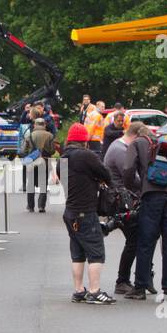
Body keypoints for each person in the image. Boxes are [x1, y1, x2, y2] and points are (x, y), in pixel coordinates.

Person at [61, 123, 115, 304]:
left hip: (70, 212)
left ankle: (79, 290)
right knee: (96, 252)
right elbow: (106, 173)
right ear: (84, 141)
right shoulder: (86, 155)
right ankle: (94, 291)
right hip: (85, 211)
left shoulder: (63, 157)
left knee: (77, 253)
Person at [127, 133, 167, 302]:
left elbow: (128, 169)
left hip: (151, 196)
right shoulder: (166, 146)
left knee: (146, 242)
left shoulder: (136, 143)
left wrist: (139, 187)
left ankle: (140, 288)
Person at [104, 120, 147, 295]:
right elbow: (132, 178)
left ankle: (125, 279)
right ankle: (122, 281)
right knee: (134, 240)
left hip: (119, 200)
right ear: (136, 136)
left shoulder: (117, 146)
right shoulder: (121, 151)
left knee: (133, 240)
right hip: (121, 201)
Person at [22, 116, 57, 212]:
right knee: (43, 184)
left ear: (35, 125)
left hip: (32, 162)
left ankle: (30, 206)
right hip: (45, 161)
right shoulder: (49, 136)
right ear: (44, 125)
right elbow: (53, 150)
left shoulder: (30, 135)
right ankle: (41, 206)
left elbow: (23, 150)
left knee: (31, 184)